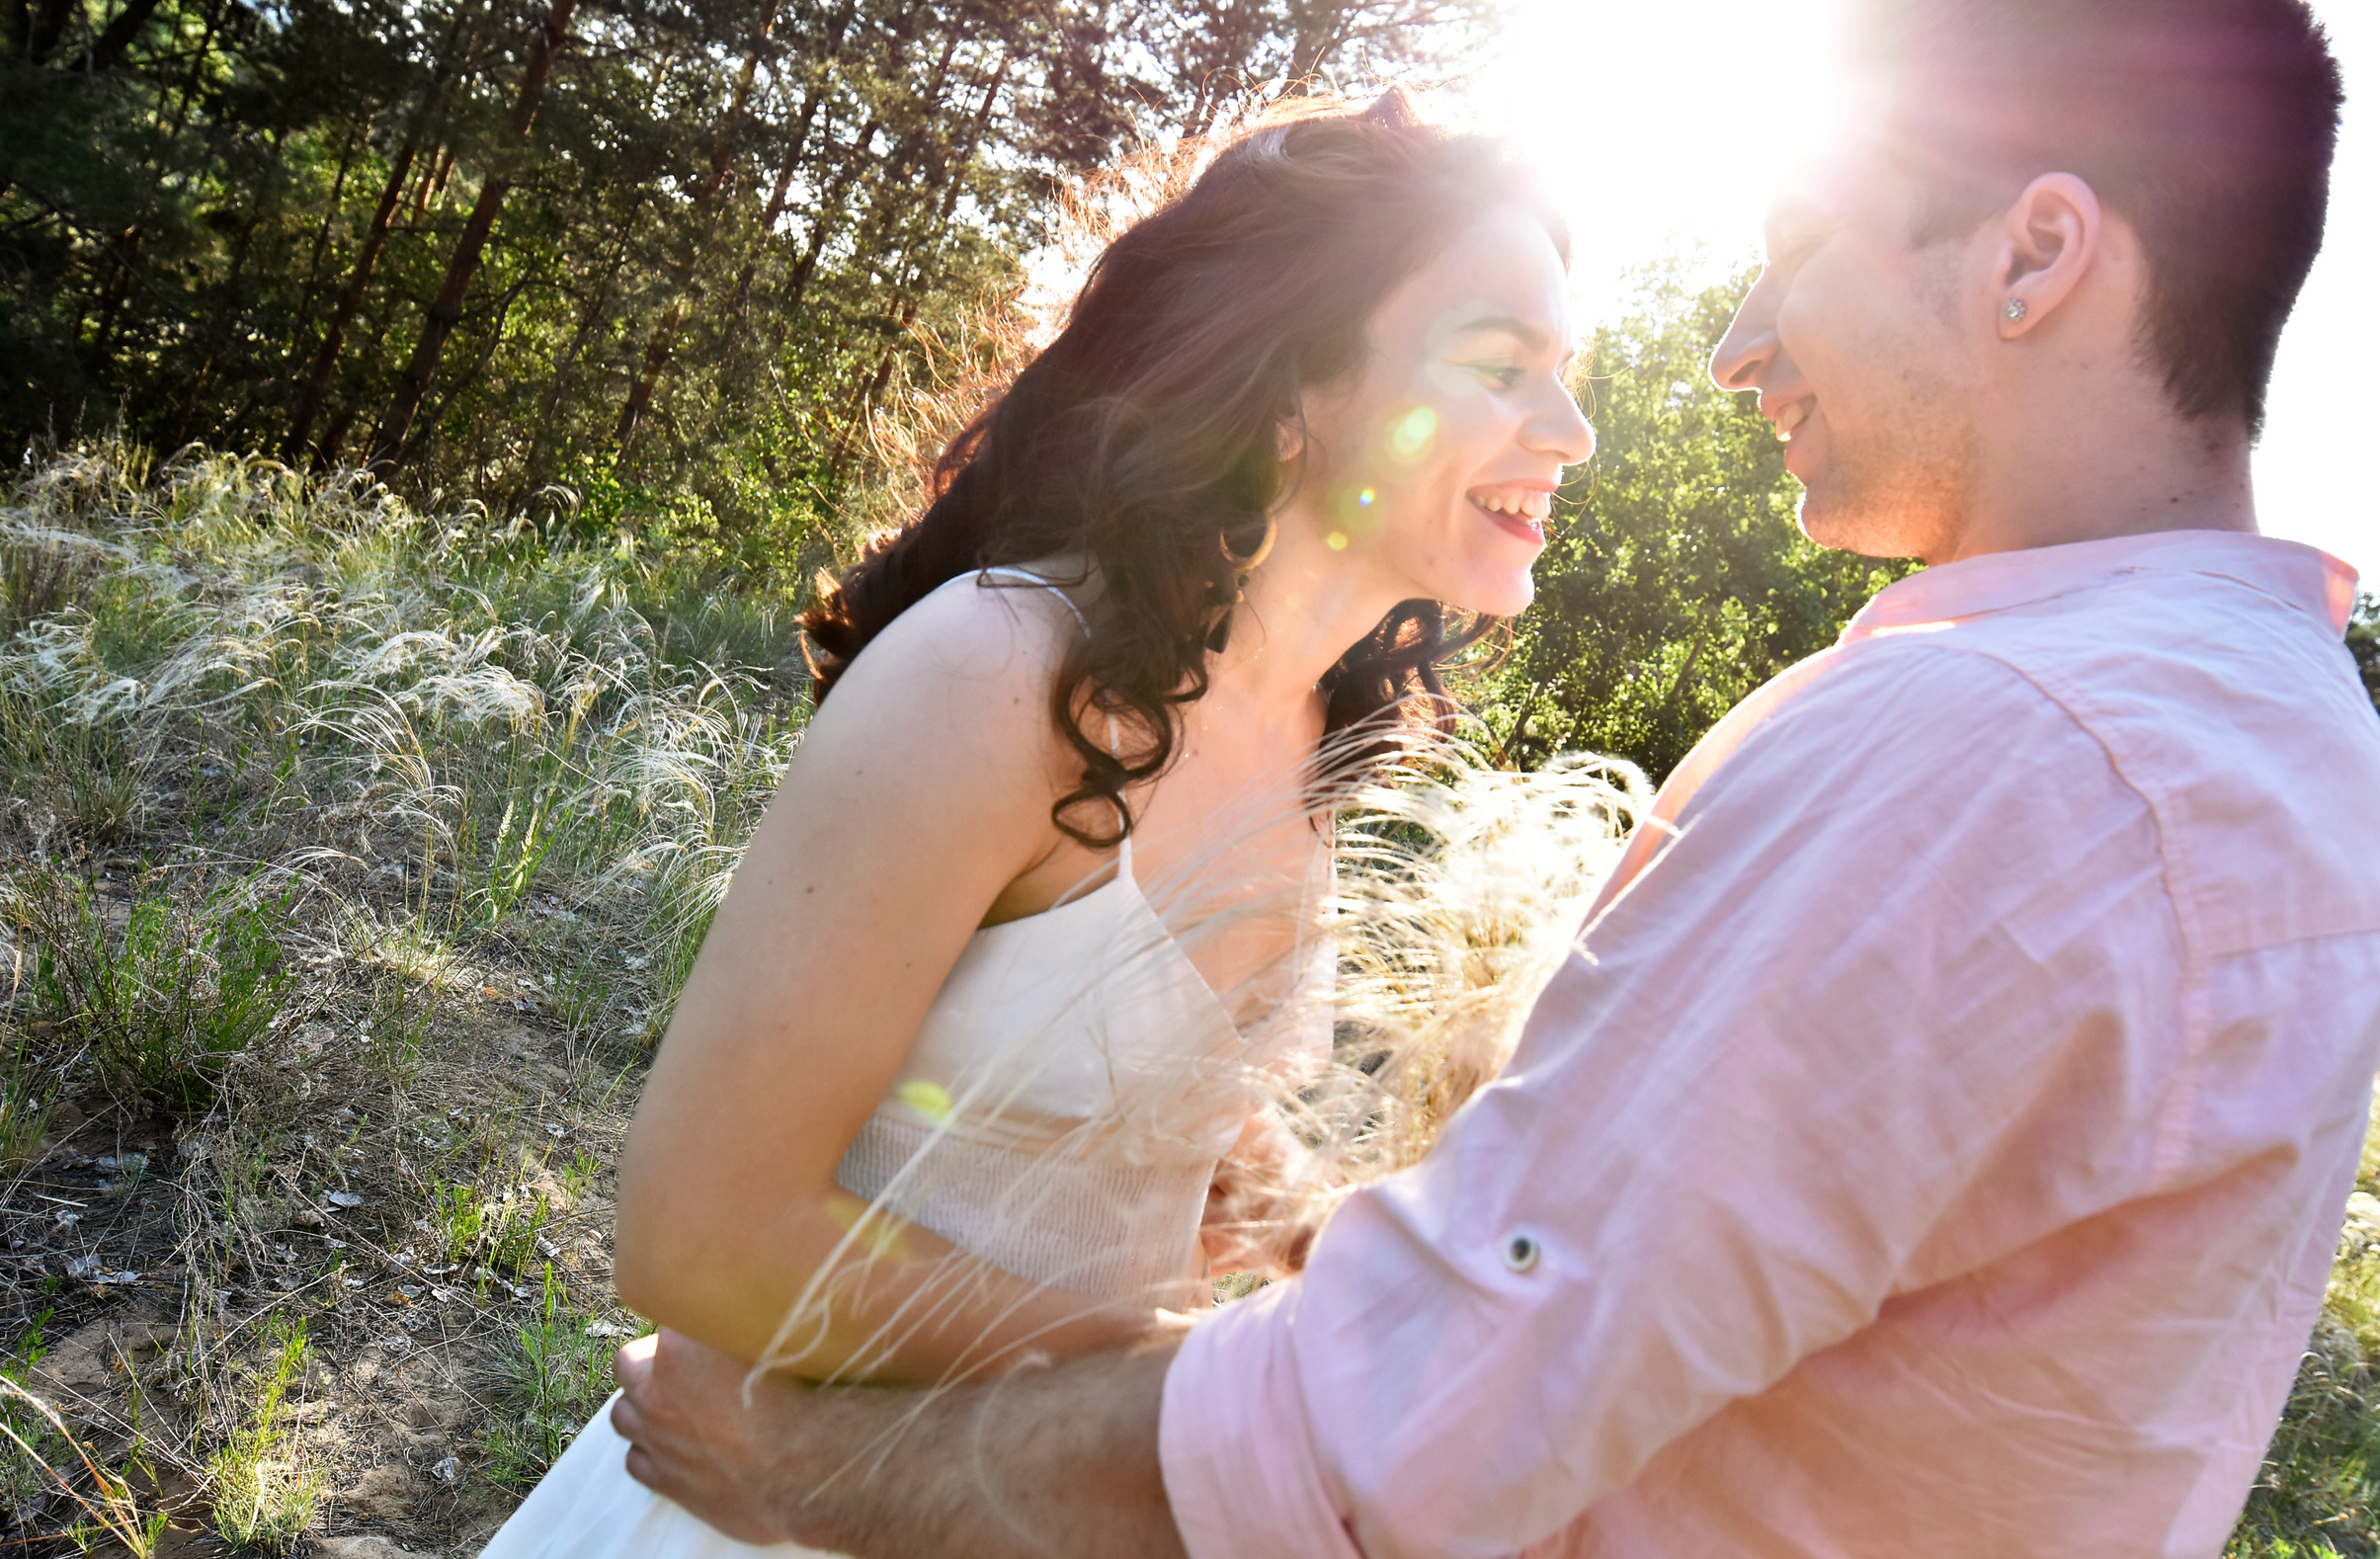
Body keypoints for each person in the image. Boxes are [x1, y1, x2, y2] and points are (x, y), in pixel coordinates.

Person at [606, 0, 2380, 1559]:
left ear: (2036, 257)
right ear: (1296, 390)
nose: (1729, 351)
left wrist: (859, 1462)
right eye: (1503, 362)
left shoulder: (2000, 742)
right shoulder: (2286, 755)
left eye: (1800, 246)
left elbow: (1417, 1399)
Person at [477, 92, 1596, 1557]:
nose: (1571, 433)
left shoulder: (1320, 739)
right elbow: (699, 1233)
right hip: (768, 1497)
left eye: (1567, 375)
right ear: (1291, 393)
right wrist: (1185, 1379)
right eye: (1503, 366)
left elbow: (1147, 1104)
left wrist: (1334, 1258)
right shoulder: (1000, 673)